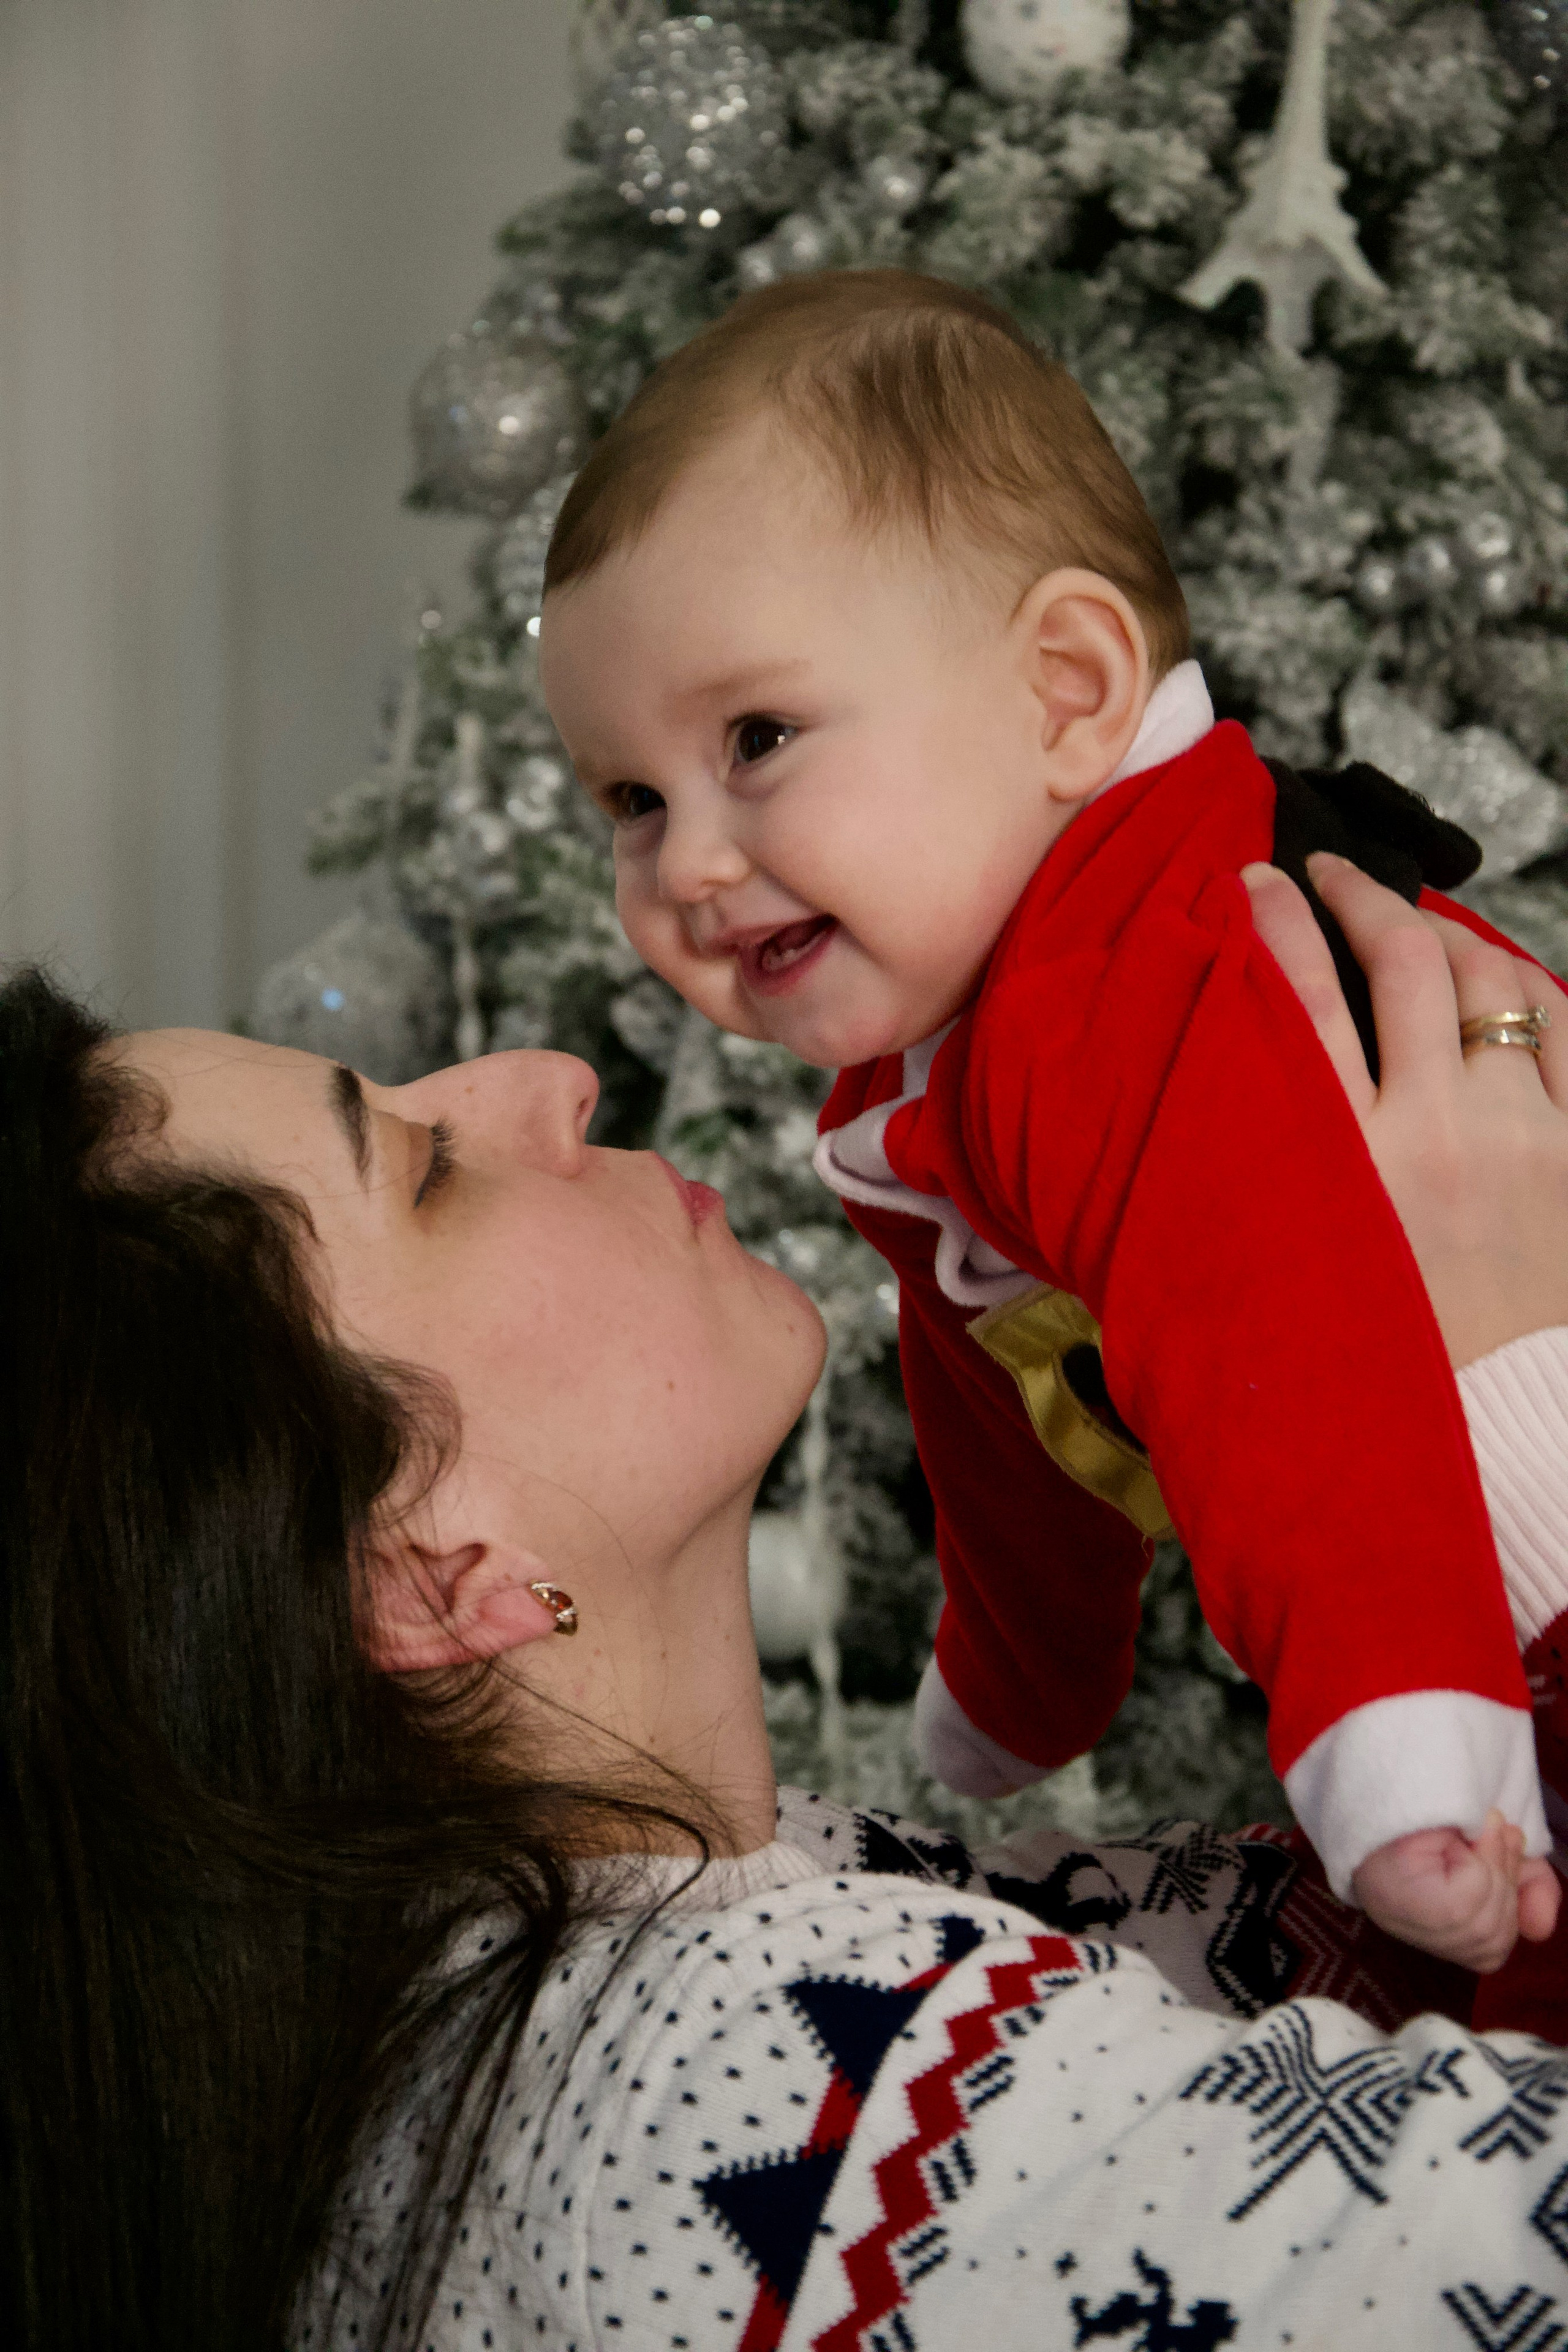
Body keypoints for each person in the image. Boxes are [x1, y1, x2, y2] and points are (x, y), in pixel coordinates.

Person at [9, 858, 1568, 2352]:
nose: (549, 1080)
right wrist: (1518, 1409)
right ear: (428, 1576)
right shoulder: (717, 2124)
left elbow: (1378, 1986)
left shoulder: (603, 1973)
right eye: (428, 1171)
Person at [538, 267, 1558, 1977]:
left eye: (759, 738)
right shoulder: (957, 1051)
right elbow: (1011, 1403)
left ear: (1068, 693)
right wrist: (1016, 1682)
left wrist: (1403, 1734)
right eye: (633, 799)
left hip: (1472, 1579)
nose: (690, 864)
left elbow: (1278, 1337)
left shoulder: (1127, 982)